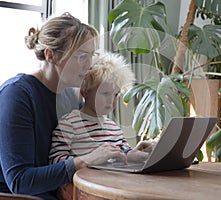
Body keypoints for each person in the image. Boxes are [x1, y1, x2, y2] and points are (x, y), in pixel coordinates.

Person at [0, 12, 154, 200]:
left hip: (52, 189)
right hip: (9, 195)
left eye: (91, 55)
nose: (89, 65)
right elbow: (19, 182)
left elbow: (91, 147)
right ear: (50, 55)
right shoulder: (16, 96)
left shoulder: (69, 97)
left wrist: (128, 154)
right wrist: (85, 160)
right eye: (81, 56)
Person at [49, 52, 154, 200]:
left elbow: (124, 155)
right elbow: (56, 162)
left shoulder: (113, 127)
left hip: (112, 188)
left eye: (116, 94)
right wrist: (89, 159)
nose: (111, 101)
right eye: (105, 93)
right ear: (85, 91)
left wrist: (136, 152)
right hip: (83, 191)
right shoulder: (69, 124)